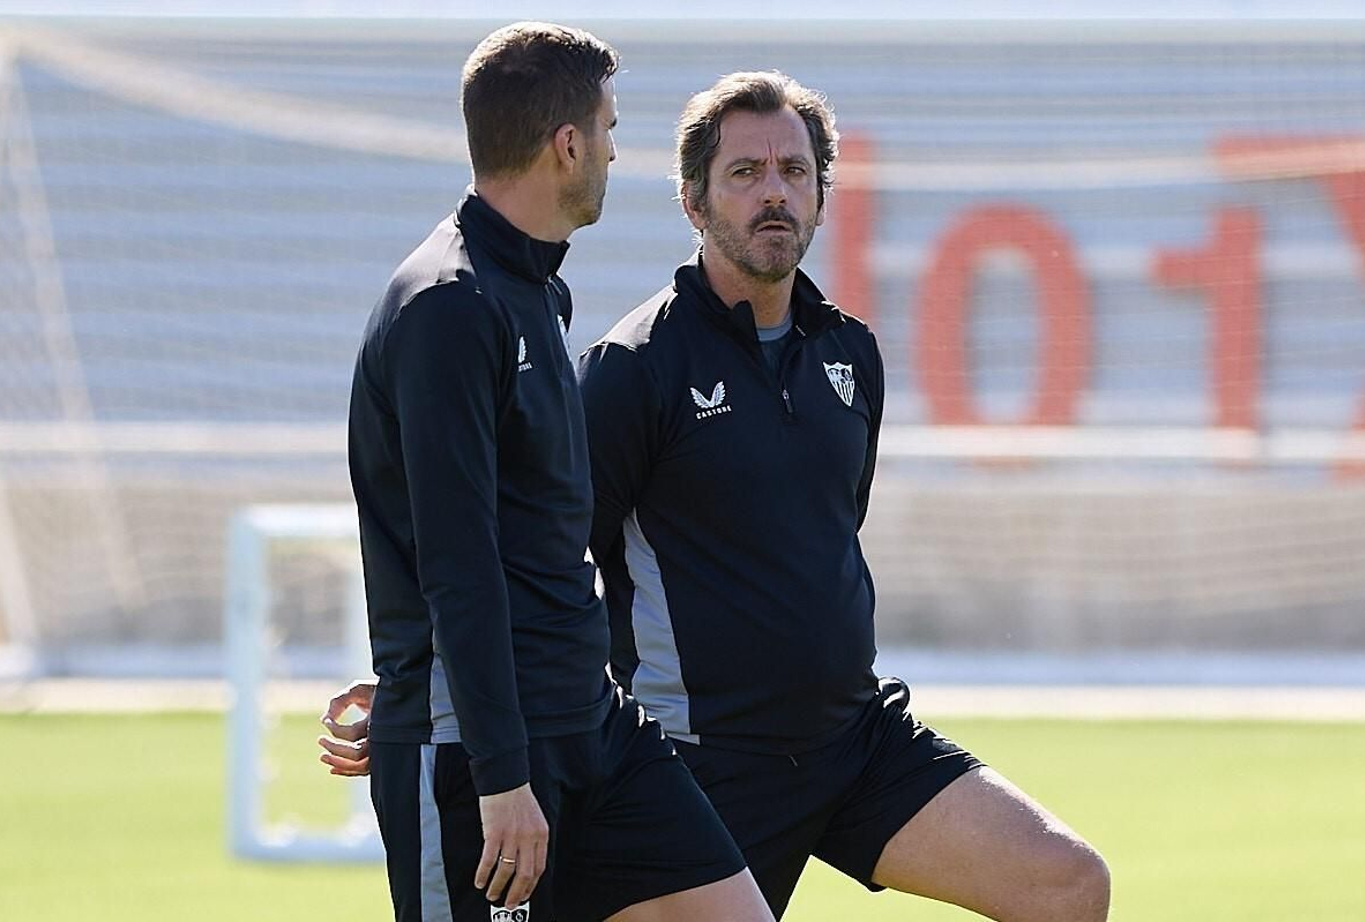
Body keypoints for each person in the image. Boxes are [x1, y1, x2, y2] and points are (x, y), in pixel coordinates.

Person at [327, 70, 1110, 922]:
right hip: (700, 761)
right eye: (745, 174)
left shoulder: (852, 356)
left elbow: (827, 534)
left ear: (820, 194)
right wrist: (432, 683)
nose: (773, 193)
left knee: (1066, 884)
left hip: (856, 743)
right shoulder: (631, 369)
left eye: (794, 172)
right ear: (694, 202)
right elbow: (529, 557)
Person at [342, 23, 773, 922]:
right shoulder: (446, 309)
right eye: (610, 129)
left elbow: (533, 532)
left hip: (593, 727)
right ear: (566, 143)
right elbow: (456, 558)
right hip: (483, 757)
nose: (617, 152)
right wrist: (496, 771)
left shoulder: (535, 287)